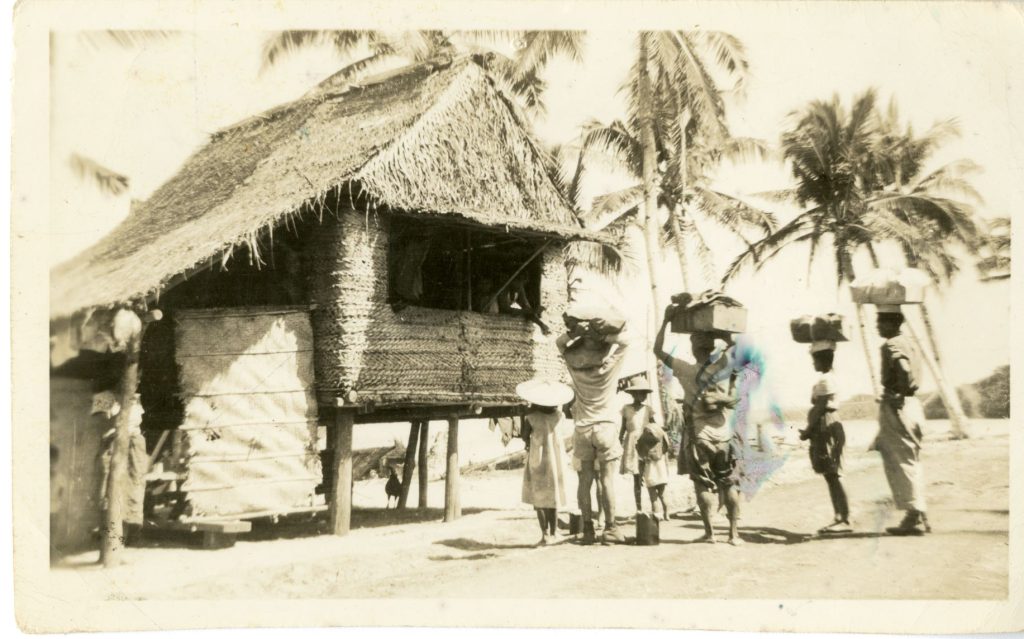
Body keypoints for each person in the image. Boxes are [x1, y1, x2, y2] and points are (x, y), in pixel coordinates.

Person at [654, 305, 742, 543]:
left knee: (702, 484)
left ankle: (710, 533)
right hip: (723, 434)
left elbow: (657, 350)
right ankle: (734, 534)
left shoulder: (685, 369)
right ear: (712, 347)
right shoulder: (723, 365)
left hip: (699, 435)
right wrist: (725, 335)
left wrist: (665, 321)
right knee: (728, 482)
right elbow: (737, 348)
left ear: (693, 348)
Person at [557, 304, 632, 545]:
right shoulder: (609, 368)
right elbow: (625, 341)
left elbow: (559, 344)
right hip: (606, 427)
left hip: (582, 428)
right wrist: (598, 334)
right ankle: (610, 528)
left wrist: (578, 334)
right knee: (607, 480)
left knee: (584, 481)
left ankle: (587, 530)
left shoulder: (574, 364)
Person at [872, 307, 930, 536]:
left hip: (899, 406)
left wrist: (899, 393)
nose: (877, 326)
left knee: (900, 460)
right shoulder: (910, 342)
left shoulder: (892, 344)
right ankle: (917, 511)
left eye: (880, 322)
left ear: (891, 323)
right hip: (912, 405)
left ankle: (913, 515)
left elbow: (903, 369)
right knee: (910, 458)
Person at [799, 341, 850, 533]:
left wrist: (807, 430)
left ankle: (843, 518)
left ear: (821, 360)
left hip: (825, 425)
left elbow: (820, 407)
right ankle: (839, 516)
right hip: (826, 425)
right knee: (831, 473)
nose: (813, 364)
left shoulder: (825, 380)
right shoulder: (831, 378)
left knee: (833, 472)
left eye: (814, 360)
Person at [517, 379, 574, 546]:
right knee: (553, 495)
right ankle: (554, 531)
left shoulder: (531, 417)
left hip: (538, 458)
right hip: (555, 459)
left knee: (539, 497)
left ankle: (544, 535)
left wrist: (523, 415)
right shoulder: (559, 415)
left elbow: (524, 436)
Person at [619, 380, 654, 513]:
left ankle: (654, 507)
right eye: (641, 393)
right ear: (634, 394)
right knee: (637, 477)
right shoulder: (626, 409)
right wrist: (619, 442)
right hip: (632, 445)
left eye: (645, 393)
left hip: (645, 443)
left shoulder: (648, 410)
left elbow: (654, 427)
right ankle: (639, 508)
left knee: (650, 475)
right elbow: (623, 428)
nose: (643, 396)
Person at [637, 420, 672, 522]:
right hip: (661, 472)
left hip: (650, 473)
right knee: (663, 495)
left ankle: (657, 515)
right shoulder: (661, 448)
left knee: (653, 497)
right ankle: (667, 513)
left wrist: (640, 476)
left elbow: (641, 464)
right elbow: (666, 460)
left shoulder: (643, 449)